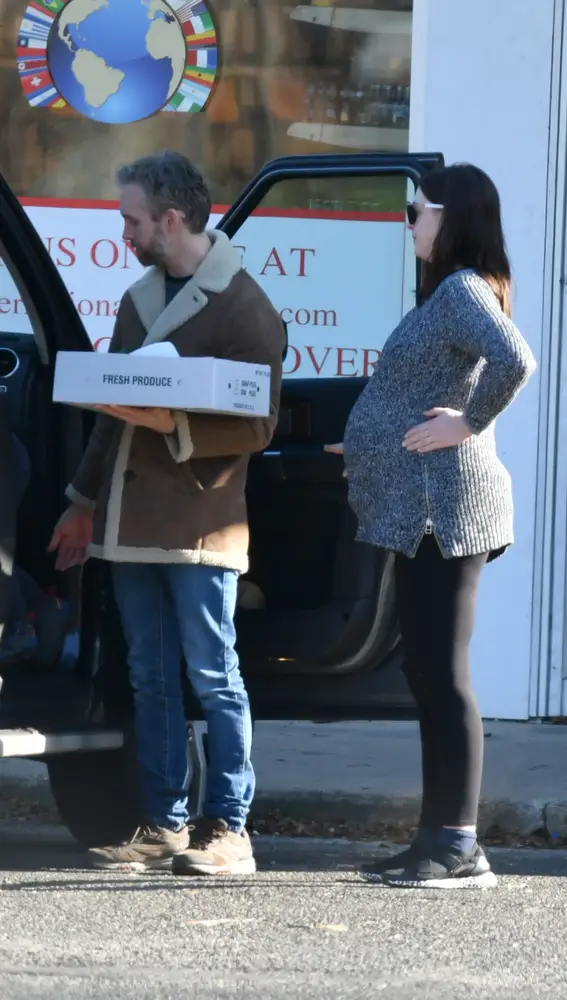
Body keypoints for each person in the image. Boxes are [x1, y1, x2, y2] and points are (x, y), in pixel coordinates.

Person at [48, 151, 285, 875]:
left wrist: (168, 424)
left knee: (213, 678)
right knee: (148, 679)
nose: (123, 231)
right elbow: (110, 419)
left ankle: (229, 832)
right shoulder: (137, 299)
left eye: (132, 219)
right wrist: (82, 505)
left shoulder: (245, 306)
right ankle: (163, 826)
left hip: (200, 529)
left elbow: (258, 426)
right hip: (127, 525)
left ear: (170, 219)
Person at [326, 163, 536, 889]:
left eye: (416, 210)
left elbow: (517, 359)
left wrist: (467, 424)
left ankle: (457, 846)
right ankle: (434, 839)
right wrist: (364, 440)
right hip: (421, 506)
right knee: (423, 670)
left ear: (450, 217)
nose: (408, 221)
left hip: (445, 509)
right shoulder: (446, 293)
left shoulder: (460, 290)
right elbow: (412, 393)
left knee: (442, 675)